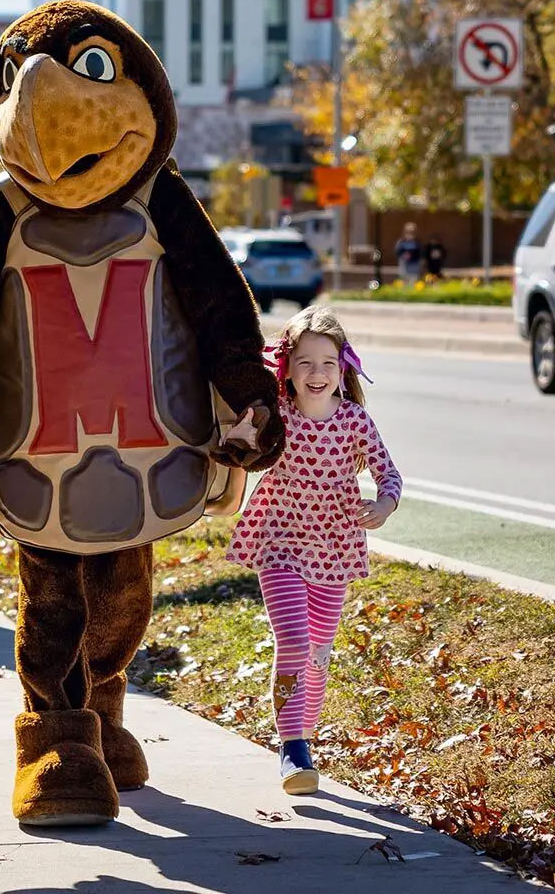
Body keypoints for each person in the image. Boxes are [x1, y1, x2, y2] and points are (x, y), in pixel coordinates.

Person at [224, 305, 400, 794]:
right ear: (287, 368)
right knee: (295, 643)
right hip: (278, 543)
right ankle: (292, 747)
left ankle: (304, 735)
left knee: (318, 655)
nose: (316, 373)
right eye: (304, 362)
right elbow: (237, 449)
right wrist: (236, 440)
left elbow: (390, 475)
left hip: (334, 550)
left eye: (327, 362)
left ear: (343, 367)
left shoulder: (355, 422)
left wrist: (383, 504)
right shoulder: (276, 415)